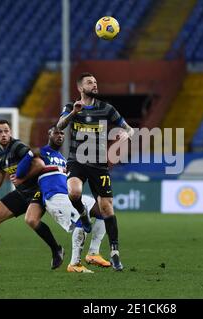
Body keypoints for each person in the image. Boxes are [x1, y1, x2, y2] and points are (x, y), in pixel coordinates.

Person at [56, 72, 134, 271]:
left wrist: (126, 135)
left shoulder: (106, 108)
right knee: (74, 192)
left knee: (107, 207)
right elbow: (59, 126)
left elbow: (129, 129)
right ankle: (83, 213)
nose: (94, 84)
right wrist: (74, 112)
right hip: (77, 161)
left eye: (96, 82)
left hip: (99, 165)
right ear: (81, 88)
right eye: (90, 82)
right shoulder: (70, 107)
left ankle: (114, 252)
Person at [14, 125, 111, 273]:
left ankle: (93, 253)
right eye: (56, 133)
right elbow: (19, 173)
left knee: (103, 210)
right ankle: (74, 264)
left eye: (62, 133)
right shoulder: (40, 152)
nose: (59, 135)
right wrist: (29, 154)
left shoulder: (62, 159)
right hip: (55, 198)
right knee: (80, 218)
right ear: (49, 134)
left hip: (68, 196)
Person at [0, 119, 63, 271]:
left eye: (6, 131)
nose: (4, 134)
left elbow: (39, 164)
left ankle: (56, 249)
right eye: (0, 132)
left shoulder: (18, 147)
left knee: (31, 220)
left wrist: (22, 179)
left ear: (10, 132)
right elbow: (0, 173)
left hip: (38, 190)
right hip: (22, 192)